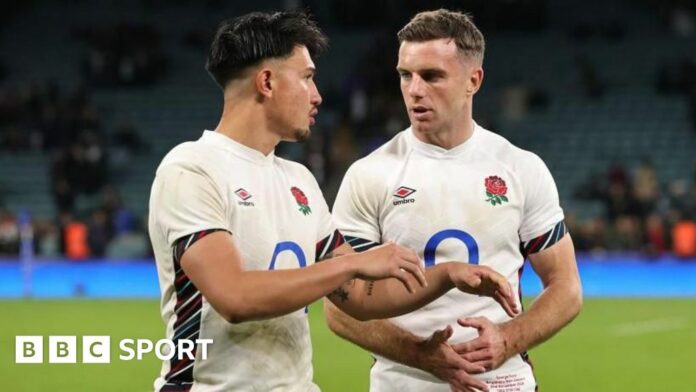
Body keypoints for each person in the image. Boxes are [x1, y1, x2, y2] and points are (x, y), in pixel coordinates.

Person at [148, 11, 518, 392]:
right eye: (307, 77)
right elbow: (235, 297)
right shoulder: (191, 170)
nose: (317, 95)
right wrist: (355, 264)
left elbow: (357, 295)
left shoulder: (299, 181)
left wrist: (447, 275)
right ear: (267, 82)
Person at [325, 9, 583, 392]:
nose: (414, 89)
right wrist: (419, 354)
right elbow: (339, 310)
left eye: (431, 76)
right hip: (404, 384)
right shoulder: (369, 175)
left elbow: (566, 287)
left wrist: (508, 339)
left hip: (501, 382)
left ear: (473, 81)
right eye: (405, 75)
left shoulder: (520, 168)